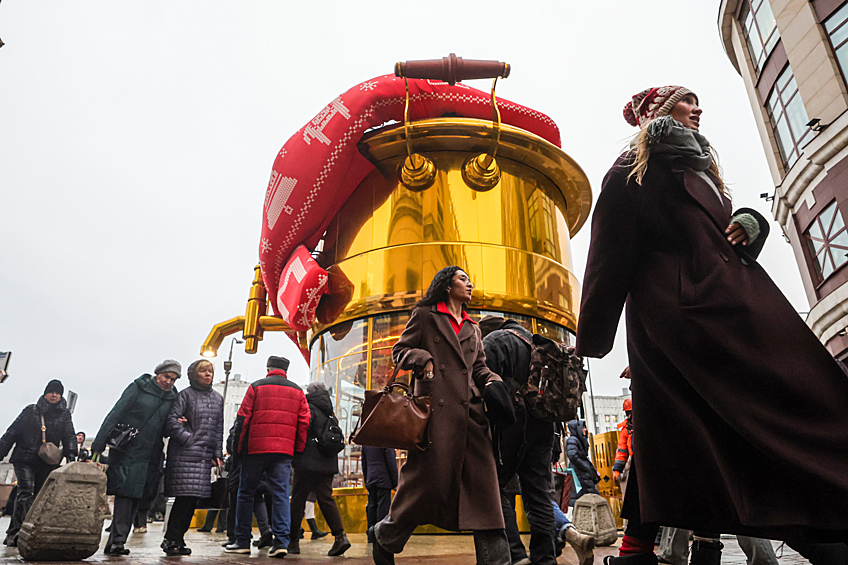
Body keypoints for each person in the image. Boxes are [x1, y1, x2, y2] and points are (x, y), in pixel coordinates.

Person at [576, 85, 848, 564]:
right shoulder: (629, 172)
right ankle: (818, 538)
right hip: (680, 319)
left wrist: (751, 221)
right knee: (734, 421)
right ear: (659, 112)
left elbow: (720, 232)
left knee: (692, 429)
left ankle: (643, 547)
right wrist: (590, 341)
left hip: (725, 306)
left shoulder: (701, 171)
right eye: (687, 101)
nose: (698, 109)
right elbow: (607, 258)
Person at [370, 265, 513, 565]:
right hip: (435, 417)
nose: (470, 284)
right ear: (447, 285)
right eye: (463, 279)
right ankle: (386, 536)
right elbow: (401, 351)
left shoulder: (474, 328)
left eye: (470, 279)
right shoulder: (425, 316)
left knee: (486, 495)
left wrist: (491, 381)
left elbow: (478, 368)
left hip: (472, 419)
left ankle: (498, 561)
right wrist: (423, 359)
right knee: (424, 489)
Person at [480, 315, 595, 565]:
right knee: (539, 496)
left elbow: (482, 384)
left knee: (494, 489)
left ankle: (516, 555)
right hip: (543, 429)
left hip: (509, 427)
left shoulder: (496, 341)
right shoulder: (537, 344)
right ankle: (544, 558)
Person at [225, 355, 310, 559]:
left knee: (245, 494)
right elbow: (304, 423)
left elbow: (243, 419)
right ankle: (281, 542)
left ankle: (242, 541)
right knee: (280, 494)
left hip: (255, 450)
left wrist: (238, 450)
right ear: (285, 370)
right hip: (283, 451)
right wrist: (296, 449)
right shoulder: (298, 391)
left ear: (268, 368)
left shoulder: (256, 387)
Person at [92, 360, 180, 556]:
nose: (169, 382)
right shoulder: (138, 388)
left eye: (173, 379)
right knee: (125, 493)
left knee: (136, 496)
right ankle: (117, 541)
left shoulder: (172, 398)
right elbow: (116, 413)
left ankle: (117, 540)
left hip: (151, 453)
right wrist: (99, 443)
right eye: (166, 377)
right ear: (158, 374)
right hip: (128, 449)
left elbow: (166, 428)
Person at [0, 379, 77, 547]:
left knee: (40, 496)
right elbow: (12, 432)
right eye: (51, 391)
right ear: (45, 393)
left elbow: (69, 435)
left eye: (58, 392)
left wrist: (72, 454)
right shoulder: (31, 411)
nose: (54, 395)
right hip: (25, 458)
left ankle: (27, 530)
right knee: (25, 492)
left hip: (47, 461)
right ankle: (15, 533)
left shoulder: (64, 415)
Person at [160, 359, 224, 555]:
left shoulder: (218, 398)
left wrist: (216, 454)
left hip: (203, 457)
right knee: (184, 498)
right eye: (204, 371)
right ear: (194, 375)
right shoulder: (185, 395)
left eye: (211, 371)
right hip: (184, 455)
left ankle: (178, 539)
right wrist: (188, 439)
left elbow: (218, 429)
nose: (208, 375)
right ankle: (171, 539)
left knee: (193, 500)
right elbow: (172, 420)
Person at [288, 381, 351, 556]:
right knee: (326, 499)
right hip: (327, 463)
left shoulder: (307, 407)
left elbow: (302, 431)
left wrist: (296, 455)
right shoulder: (330, 412)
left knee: (298, 499)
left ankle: (293, 542)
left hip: (307, 463)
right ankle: (340, 537)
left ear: (310, 392)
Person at [362, 446, 398, 541]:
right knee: (383, 508)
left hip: (371, 479)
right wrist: (395, 483)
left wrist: (366, 481)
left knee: (372, 507)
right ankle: (381, 535)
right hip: (384, 479)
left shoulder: (366, 442)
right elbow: (391, 462)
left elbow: (364, 464)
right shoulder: (385, 439)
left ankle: (371, 535)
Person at [565, 420, 599, 500]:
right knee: (590, 497)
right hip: (580, 473)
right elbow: (572, 455)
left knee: (590, 497)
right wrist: (585, 467)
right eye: (583, 427)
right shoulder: (573, 440)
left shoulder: (577, 440)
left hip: (582, 474)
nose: (585, 430)